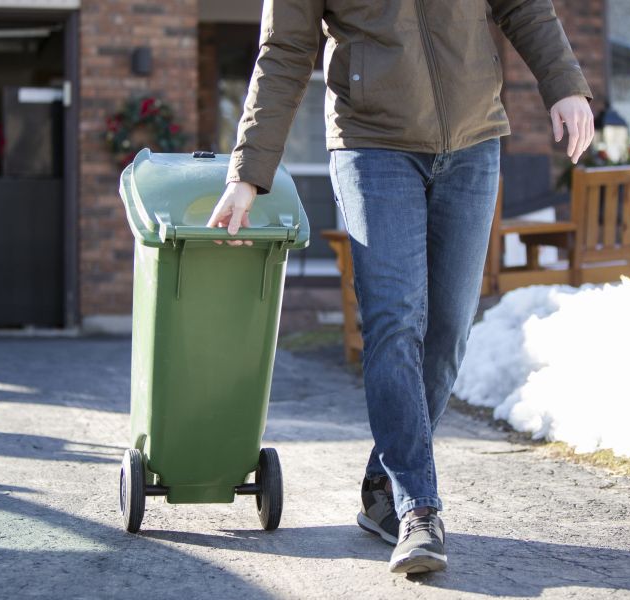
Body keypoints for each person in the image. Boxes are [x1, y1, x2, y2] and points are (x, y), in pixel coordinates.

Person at [207, 0, 593, 575]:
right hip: (372, 146)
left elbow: (524, 6)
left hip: (473, 138)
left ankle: (382, 487)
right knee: (394, 320)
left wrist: (564, 83)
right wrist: (248, 173)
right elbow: (284, 51)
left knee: (449, 328)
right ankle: (418, 508)